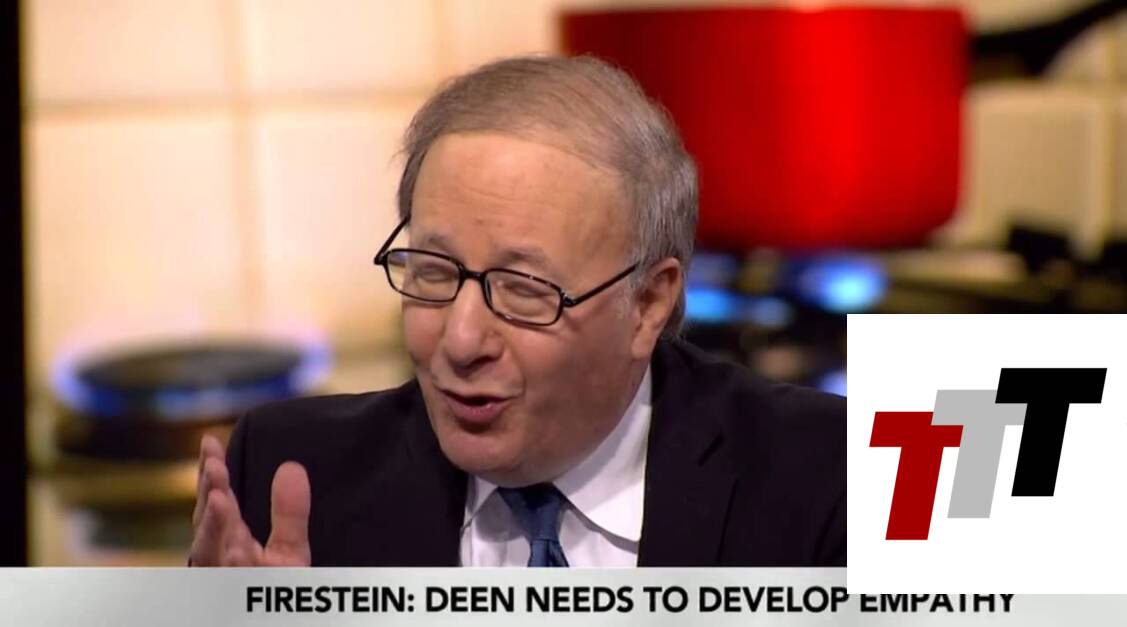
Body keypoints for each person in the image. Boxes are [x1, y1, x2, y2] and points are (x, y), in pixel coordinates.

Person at [189, 55, 844, 568]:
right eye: (434, 271)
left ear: (647, 302)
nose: (461, 339)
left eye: (523, 287)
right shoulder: (288, 478)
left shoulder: (836, 477)